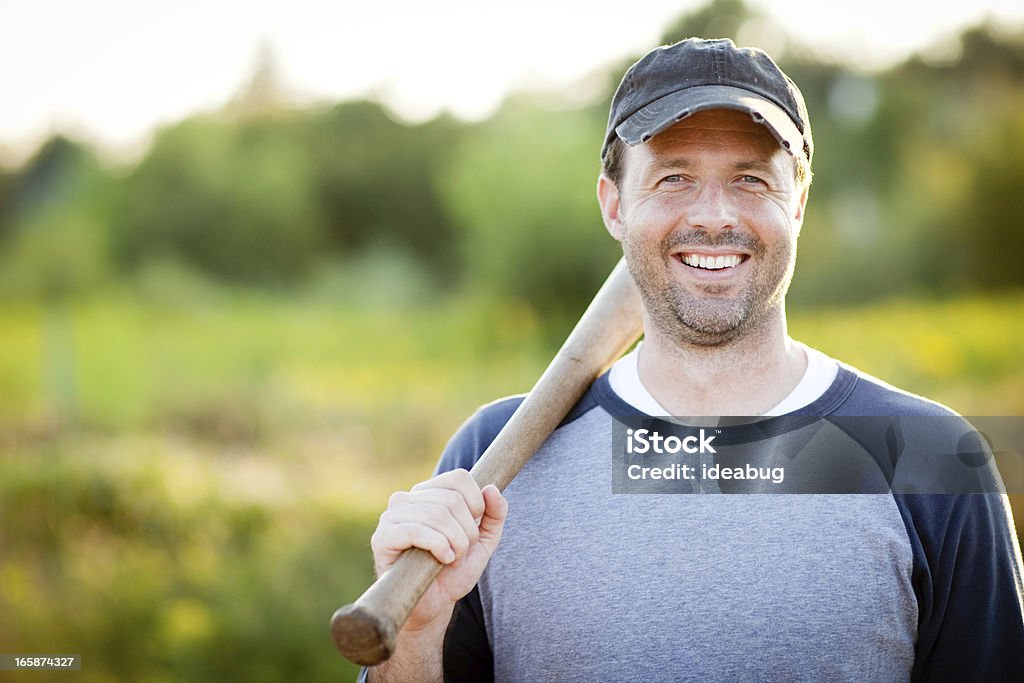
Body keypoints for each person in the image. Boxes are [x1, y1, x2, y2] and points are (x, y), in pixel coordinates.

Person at [362, 38, 1024, 682]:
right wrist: (416, 636)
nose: (713, 216)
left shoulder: (932, 459)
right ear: (614, 203)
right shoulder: (492, 464)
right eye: (674, 178)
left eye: (751, 179)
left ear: (797, 200)